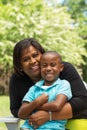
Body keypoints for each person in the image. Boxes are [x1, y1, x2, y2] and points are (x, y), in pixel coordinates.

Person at [9, 38, 87, 129]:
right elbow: (16, 109)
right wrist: (37, 109)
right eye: (26, 59)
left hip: (74, 119)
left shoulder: (64, 70)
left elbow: (83, 101)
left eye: (35, 55)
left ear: (43, 54)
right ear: (20, 66)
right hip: (38, 124)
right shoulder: (18, 79)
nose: (33, 61)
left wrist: (48, 116)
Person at [18, 51, 72, 130]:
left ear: (61, 67)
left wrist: (34, 106)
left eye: (53, 65)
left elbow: (57, 105)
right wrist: (37, 101)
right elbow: (21, 113)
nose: (48, 69)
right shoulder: (34, 88)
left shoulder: (63, 84)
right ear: (40, 68)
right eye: (44, 65)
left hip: (53, 128)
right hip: (29, 127)